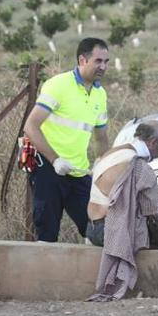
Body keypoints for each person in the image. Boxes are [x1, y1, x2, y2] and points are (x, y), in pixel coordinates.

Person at [87, 121, 158, 301]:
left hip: (93, 228)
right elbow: (151, 211)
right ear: (153, 143)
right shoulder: (138, 166)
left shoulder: (114, 153)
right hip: (112, 232)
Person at [24, 38, 111, 242]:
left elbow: (101, 136)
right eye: (98, 61)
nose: (103, 67)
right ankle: (44, 274)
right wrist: (55, 160)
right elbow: (30, 126)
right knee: (47, 233)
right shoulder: (58, 85)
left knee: (97, 230)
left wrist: (102, 164)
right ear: (82, 60)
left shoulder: (100, 94)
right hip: (48, 169)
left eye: (106, 62)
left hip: (79, 172)